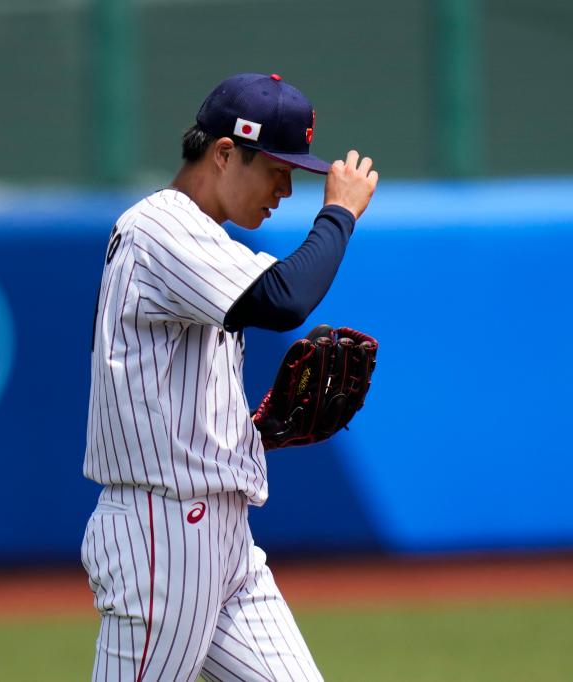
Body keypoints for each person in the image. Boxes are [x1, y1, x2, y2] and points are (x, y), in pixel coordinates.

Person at [81, 72, 378, 682]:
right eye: (276, 170)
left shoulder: (202, 241)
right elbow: (283, 300)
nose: (286, 190)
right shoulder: (160, 226)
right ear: (223, 154)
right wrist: (339, 215)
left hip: (224, 540)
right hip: (161, 534)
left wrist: (251, 432)